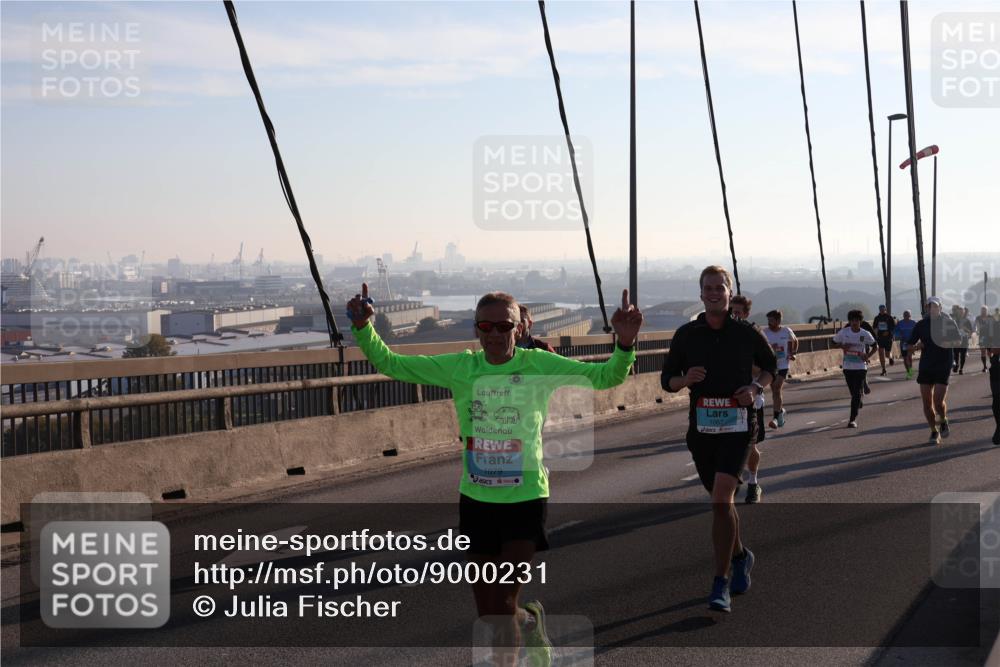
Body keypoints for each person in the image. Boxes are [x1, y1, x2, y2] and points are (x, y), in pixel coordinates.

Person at [348, 283, 642, 666]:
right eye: (486, 327)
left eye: (504, 326)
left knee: (502, 603)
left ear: (519, 328)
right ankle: (530, 621)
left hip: (525, 500)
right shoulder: (462, 367)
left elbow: (605, 377)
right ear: (476, 329)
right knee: (490, 611)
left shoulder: (539, 365)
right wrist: (363, 328)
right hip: (476, 501)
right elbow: (393, 364)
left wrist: (625, 343)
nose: (495, 334)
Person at [661, 266, 777, 613]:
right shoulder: (686, 335)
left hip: (739, 428)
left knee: (721, 499)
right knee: (721, 504)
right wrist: (685, 380)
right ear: (701, 294)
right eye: (708, 288)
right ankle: (740, 556)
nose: (714, 293)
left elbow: (771, 368)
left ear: (729, 292)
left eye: (719, 288)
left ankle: (720, 581)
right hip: (702, 432)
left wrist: (755, 388)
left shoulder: (746, 333)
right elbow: (667, 380)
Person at [907, 296, 961, 445]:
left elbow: (958, 341)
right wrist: (916, 347)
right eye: (930, 306)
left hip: (943, 364)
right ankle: (933, 431)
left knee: (938, 402)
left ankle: (943, 419)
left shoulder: (948, 322)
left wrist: (945, 343)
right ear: (926, 308)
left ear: (940, 308)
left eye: (935, 306)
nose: (933, 309)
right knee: (927, 403)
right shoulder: (921, 325)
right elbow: (909, 346)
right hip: (926, 366)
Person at [730, 295, 765, 504]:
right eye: (731, 311)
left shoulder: (754, 336)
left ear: (746, 314)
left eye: (737, 312)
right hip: (726, 400)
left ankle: (753, 482)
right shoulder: (718, 334)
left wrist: (742, 362)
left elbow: (764, 369)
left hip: (751, 400)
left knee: (750, 446)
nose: (733, 316)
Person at [831, 310, 877, 428]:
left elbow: (875, 346)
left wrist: (868, 356)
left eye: (857, 320)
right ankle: (859, 398)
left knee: (856, 394)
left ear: (860, 321)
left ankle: (852, 420)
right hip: (848, 367)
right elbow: (833, 343)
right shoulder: (844, 332)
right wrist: (842, 346)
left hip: (861, 366)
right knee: (853, 393)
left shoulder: (865, 333)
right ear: (850, 321)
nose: (854, 322)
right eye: (852, 320)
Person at [762, 309, 797, 429]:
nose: (769, 323)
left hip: (783, 365)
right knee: (775, 391)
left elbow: (795, 341)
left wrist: (793, 352)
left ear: (778, 320)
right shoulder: (765, 332)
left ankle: (776, 418)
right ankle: (780, 412)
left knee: (777, 388)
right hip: (770, 365)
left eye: (771, 320)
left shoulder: (786, 331)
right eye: (768, 320)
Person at [872, 304, 896, 376]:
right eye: (881, 309)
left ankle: (890, 358)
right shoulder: (877, 318)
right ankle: (884, 369)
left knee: (887, 354)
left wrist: (888, 331)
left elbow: (894, 327)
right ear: (879, 310)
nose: (882, 310)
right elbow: (874, 327)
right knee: (881, 353)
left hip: (888, 338)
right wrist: (876, 334)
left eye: (883, 309)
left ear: (885, 309)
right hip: (880, 338)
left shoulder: (889, 317)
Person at [895, 310, 918, 380]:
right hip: (903, 343)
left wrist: (915, 340)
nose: (906, 317)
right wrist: (899, 335)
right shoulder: (900, 323)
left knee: (909, 357)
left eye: (908, 315)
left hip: (911, 342)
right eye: (905, 315)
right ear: (903, 316)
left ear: (910, 316)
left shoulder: (913, 323)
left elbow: (917, 332)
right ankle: (909, 371)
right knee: (905, 359)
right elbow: (896, 332)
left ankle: (910, 372)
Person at [951, 305, 973, 375]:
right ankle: (957, 365)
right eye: (959, 312)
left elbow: (971, 331)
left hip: (964, 340)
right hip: (956, 340)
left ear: (963, 313)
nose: (960, 313)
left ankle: (961, 368)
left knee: (963, 355)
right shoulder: (954, 320)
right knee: (956, 355)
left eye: (962, 312)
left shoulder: (967, 321)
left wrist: (966, 329)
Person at [976, 305, 993, 373]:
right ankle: (985, 366)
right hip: (982, 337)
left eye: (985, 310)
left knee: (989, 352)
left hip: (989, 337)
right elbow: (977, 326)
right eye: (982, 310)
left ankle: (992, 364)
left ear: (987, 311)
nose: (983, 311)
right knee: (983, 351)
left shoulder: (990, 317)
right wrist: (977, 331)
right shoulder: (978, 318)